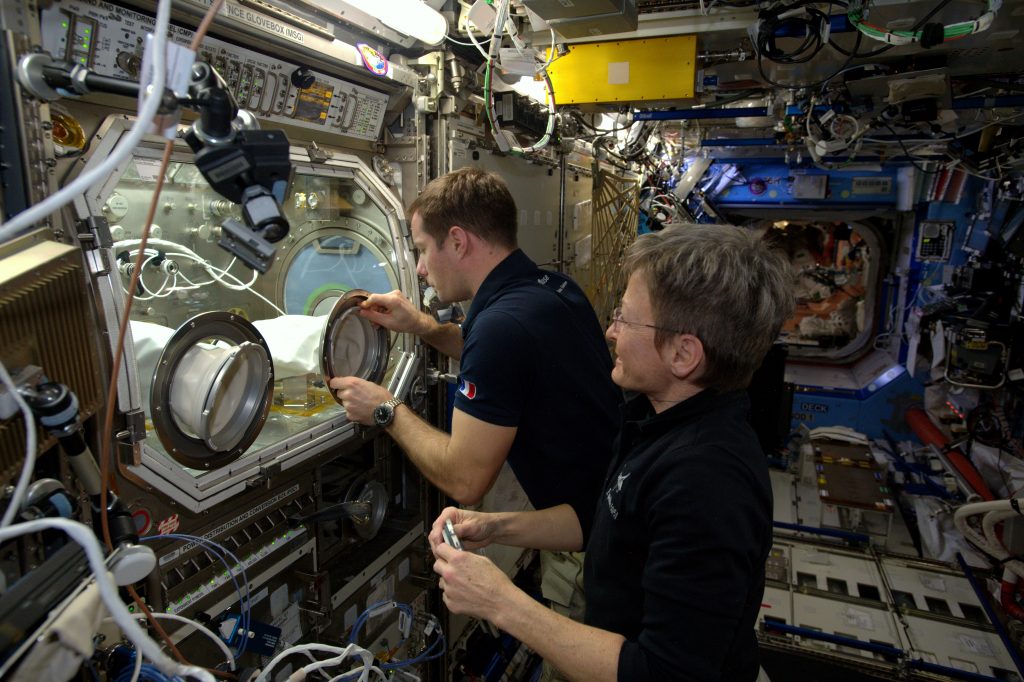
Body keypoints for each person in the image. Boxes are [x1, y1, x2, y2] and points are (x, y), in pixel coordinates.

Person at [429, 223, 795, 681]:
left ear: (684, 355)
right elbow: (606, 521)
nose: (609, 332)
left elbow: (662, 673)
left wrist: (499, 601)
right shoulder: (655, 418)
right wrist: (496, 527)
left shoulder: (705, 481)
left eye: (625, 317)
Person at [328, 166, 621, 545]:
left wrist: (385, 408)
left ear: (457, 241)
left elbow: (465, 480)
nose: (420, 269)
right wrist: (423, 326)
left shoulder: (501, 327)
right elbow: (508, 362)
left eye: (422, 249)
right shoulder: (553, 288)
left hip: (597, 543)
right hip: (611, 506)